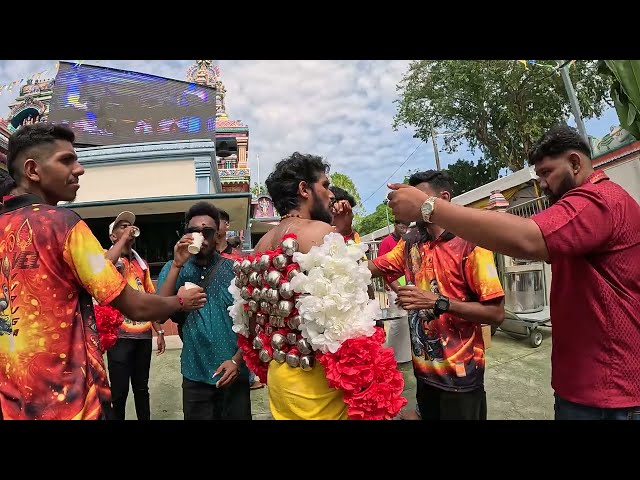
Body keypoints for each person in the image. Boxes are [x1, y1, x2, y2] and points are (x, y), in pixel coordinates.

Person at [386, 125, 640, 420]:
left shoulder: (598, 200)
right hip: (582, 384)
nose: (542, 184)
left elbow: (527, 241)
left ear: (574, 162)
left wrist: (429, 208)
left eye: (547, 173)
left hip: (611, 392)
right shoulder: (415, 243)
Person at [0, 123, 206, 420]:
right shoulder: (63, 225)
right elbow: (131, 303)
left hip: (12, 403)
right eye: (66, 160)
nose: (80, 169)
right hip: (66, 401)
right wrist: (182, 301)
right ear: (33, 170)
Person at [370, 170, 505, 420]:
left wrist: (437, 302)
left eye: (418, 197)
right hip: (424, 372)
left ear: (443, 198)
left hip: (461, 377)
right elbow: (375, 267)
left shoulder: (471, 242)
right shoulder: (411, 241)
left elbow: (496, 314)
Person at [156, 201, 251, 420]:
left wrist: (237, 361)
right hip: (195, 372)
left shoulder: (235, 270)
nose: (201, 236)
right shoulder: (173, 268)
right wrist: (178, 265)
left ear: (217, 234)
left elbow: (251, 323)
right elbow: (160, 314)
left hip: (232, 372)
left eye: (207, 231)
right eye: (194, 231)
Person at [104, 211, 166, 421]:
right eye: (121, 226)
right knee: (119, 393)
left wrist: (159, 331)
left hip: (143, 337)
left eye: (129, 226)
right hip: (119, 337)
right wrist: (122, 240)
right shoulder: (109, 256)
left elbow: (150, 297)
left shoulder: (142, 264)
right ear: (113, 236)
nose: (128, 229)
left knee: (142, 389)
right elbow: (105, 264)